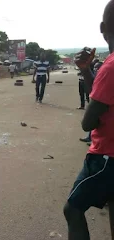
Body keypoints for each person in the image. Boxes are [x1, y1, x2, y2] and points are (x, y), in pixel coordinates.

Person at [64, 1, 114, 239]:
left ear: (102, 27)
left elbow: (88, 122)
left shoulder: (110, 66)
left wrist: (90, 74)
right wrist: (86, 71)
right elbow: (106, 96)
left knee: (73, 209)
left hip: (108, 157)